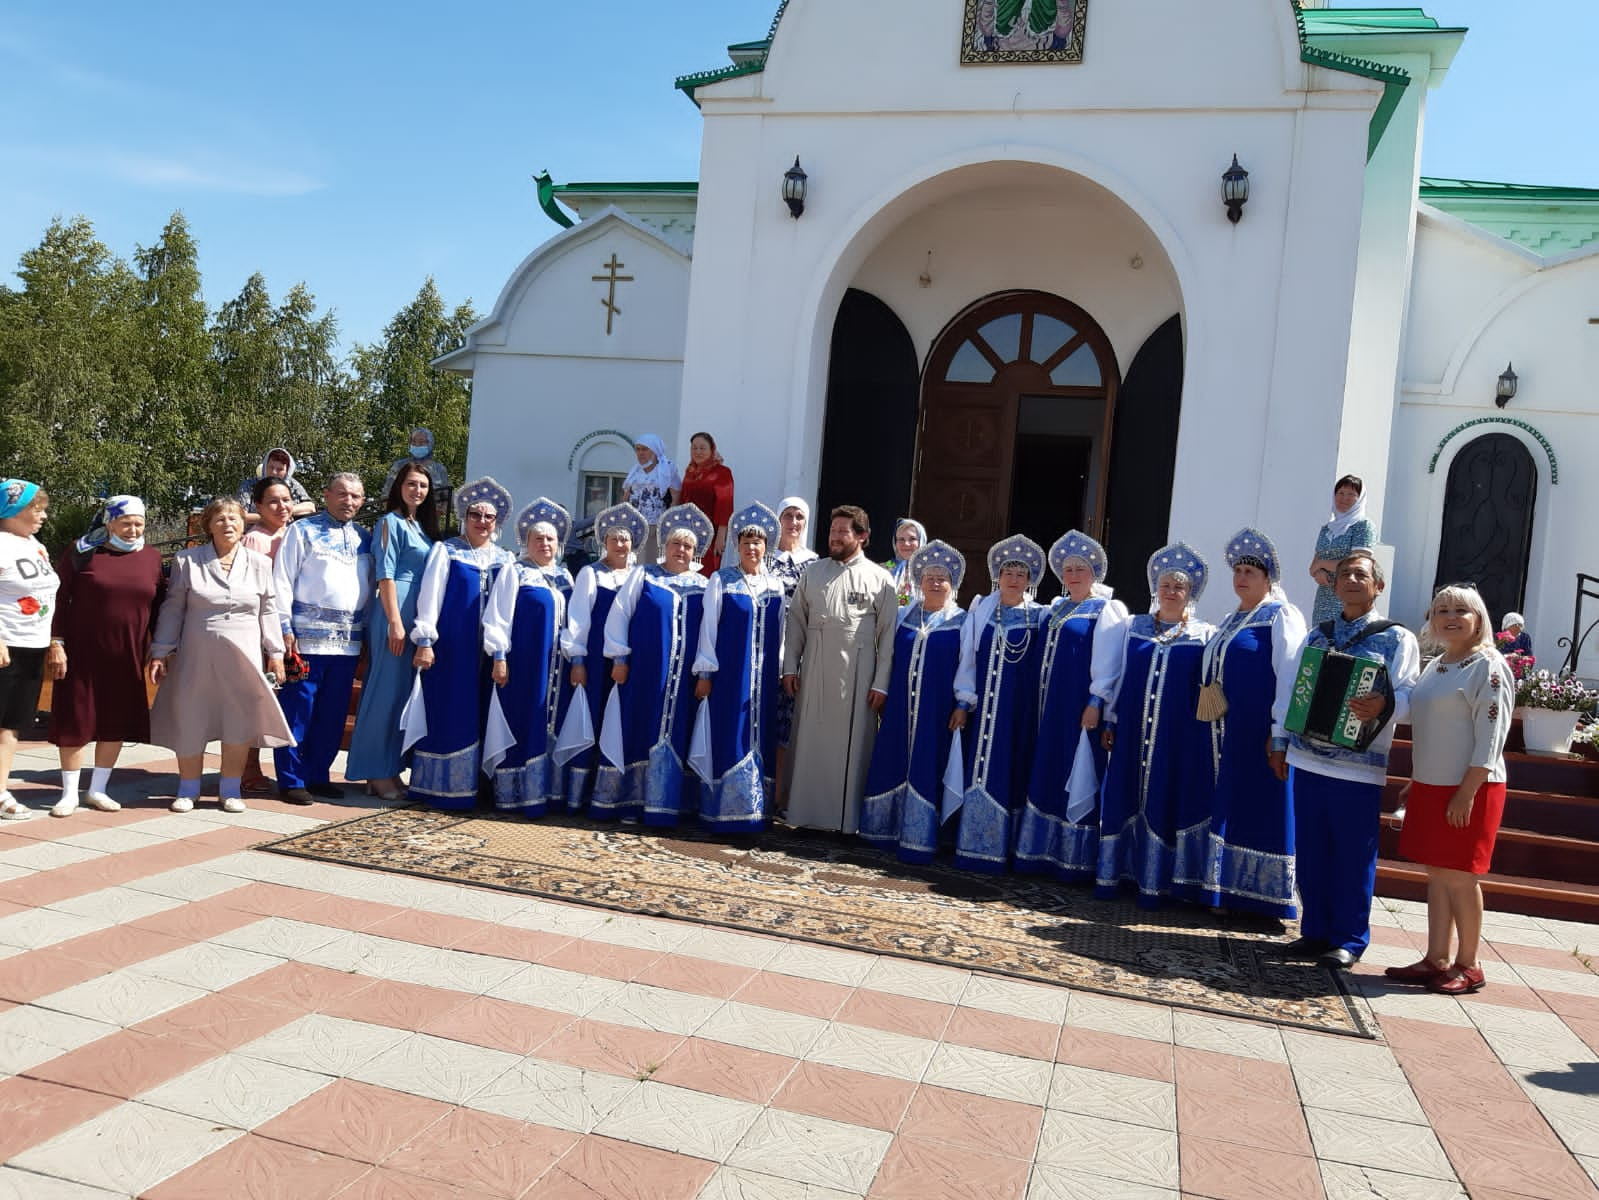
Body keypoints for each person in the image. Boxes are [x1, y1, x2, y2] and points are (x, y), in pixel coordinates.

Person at [1279, 550, 1420, 968]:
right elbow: (1293, 690)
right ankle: (1315, 930)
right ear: (1334, 585)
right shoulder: (1317, 634)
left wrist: (1383, 704)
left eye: (1361, 574)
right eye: (1345, 575)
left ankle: (1349, 938)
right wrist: (1281, 741)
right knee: (1312, 849)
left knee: (1353, 853)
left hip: (1359, 768)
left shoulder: (1397, 638)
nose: (1352, 580)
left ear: (1378, 586)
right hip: (1307, 758)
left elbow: (1412, 696)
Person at [1386, 584, 1514, 995]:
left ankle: (1469, 963)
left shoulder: (1488, 666)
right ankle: (1436, 957)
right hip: (1431, 783)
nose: (1451, 616)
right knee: (1437, 876)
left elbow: (1491, 736)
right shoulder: (1437, 664)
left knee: (1461, 877)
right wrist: (1416, 779)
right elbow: (1434, 729)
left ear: (1479, 618)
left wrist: (1466, 791)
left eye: (1461, 609)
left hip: (1472, 787)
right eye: (1442, 610)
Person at [147, 497, 292, 813]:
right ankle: (188, 789)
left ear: (243, 524)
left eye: (234, 519)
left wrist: (276, 653)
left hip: (244, 656)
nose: (228, 524)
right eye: (220, 519)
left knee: (237, 721)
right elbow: (173, 610)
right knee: (191, 718)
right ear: (209, 526)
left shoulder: (260, 563)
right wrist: (161, 651)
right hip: (196, 655)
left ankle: (229, 790)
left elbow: (268, 609)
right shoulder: (187, 561)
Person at [1095, 543, 1217, 906]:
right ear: (1155, 587)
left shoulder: (1203, 635)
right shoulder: (1133, 627)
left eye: (1179, 587)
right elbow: (1119, 676)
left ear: (1190, 593)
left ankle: (1158, 883)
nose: (1171, 592)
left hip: (1175, 736)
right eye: (1165, 585)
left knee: (1165, 798)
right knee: (1125, 796)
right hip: (1131, 730)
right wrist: (1111, 719)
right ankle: (1117, 875)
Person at [1196, 529, 1307, 918]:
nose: (1242, 577)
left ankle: (1265, 896)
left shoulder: (1281, 616)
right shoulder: (1230, 619)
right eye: (1238, 570)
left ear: (1268, 579)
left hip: (1260, 729)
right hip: (1227, 732)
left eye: (1251, 572)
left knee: (1261, 807)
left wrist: (1280, 733)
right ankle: (1224, 889)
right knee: (1231, 805)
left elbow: (1291, 676)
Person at [1013, 531, 1129, 883]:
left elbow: (1110, 661)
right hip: (1049, 708)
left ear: (1095, 572)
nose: (1073, 574)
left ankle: (1073, 861)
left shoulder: (1107, 609)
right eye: (1067, 569)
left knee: (1073, 771)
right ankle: (1040, 853)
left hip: (1078, 707)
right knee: (1047, 769)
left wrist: (1097, 701)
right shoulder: (1056, 607)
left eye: (1081, 568)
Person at [45, 496, 166, 817]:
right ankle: (69, 792)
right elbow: (57, 598)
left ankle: (97, 789)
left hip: (127, 655)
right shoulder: (82, 551)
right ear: (109, 522)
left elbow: (158, 609)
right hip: (81, 653)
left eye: (139, 523)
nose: (132, 529)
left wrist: (161, 649)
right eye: (125, 522)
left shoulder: (152, 558)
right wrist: (56, 641)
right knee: (76, 720)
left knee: (115, 721)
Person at [782, 504, 899, 834]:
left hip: (857, 676)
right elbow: (796, 623)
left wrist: (881, 683)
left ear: (861, 537)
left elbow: (888, 636)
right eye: (832, 531)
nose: (834, 537)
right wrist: (790, 666)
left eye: (842, 532)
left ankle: (845, 822)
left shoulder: (880, 579)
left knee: (851, 746)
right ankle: (804, 814)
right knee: (810, 741)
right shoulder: (813, 573)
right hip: (815, 666)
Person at [595, 503, 712, 823]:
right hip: (645, 673)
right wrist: (619, 656)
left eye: (688, 546)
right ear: (665, 545)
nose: (681, 550)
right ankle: (631, 803)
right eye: (676, 543)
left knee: (678, 734)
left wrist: (704, 671)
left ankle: (672, 806)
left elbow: (708, 633)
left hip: (683, 679)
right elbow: (619, 614)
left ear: (696, 551)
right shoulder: (644, 575)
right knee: (638, 729)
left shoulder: (703, 586)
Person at [404, 479, 515, 810]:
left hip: (484, 652)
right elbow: (431, 595)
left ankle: (474, 786)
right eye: (475, 514)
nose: (482, 521)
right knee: (449, 711)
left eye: (488, 517)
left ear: (497, 522)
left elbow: (504, 610)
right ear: (464, 517)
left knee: (482, 712)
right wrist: (425, 640)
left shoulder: (504, 559)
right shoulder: (447, 550)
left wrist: (499, 652)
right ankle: (435, 787)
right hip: (450, 648)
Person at [860, 540, 968, 862]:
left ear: (952, 584)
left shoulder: (963, 621)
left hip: (937, 711)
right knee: (892, 758)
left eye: (942, 578)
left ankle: (921, 836)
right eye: (929, 577)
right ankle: (883, 831)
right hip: (899, 710)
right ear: (919, 581)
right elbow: (887, 656)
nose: (935, 582)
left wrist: (962, 703)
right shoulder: (905, 614)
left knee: (929, 764)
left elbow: (967, 667)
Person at [950, 535, 1050, 872]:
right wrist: (964, 701)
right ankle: (971, 845)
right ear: (998, 575)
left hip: (1016, 711)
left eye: (1021, 574)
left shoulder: (1038, 616)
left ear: (1030, 580)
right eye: (1008, 572)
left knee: (1012, 768)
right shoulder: (982, 610)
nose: (1014, 579)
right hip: (982, 712)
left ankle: (1005, 847)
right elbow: (968, 659)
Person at [272, 473, 373, 805]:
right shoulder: (302, 531)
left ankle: (317, 774)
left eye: (356, 496)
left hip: (347, 643)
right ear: (327, 494)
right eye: (342, 493)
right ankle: (290, 778)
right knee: (298, 709)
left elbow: (370, 590)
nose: (349, 501)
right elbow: (282, 581)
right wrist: (285, 629)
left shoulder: (365, 539)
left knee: (332, 713)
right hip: (305, 641)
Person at [346, 462, 437, 801]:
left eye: (423, 486)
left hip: (415, 612)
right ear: (399, 486)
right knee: (383, 692)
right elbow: (385, 574)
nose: (417, 490)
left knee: (401, 694)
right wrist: (395, 621)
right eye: (412, 484)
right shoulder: (390, 523)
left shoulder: (420, 527)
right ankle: (374, 769)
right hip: (394, 610)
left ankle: (389, 767)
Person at [692, 502, 786, 831]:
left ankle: (756, 813)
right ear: (737, 546)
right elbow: (709, 628)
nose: (751, 548)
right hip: (731, 675)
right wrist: (705, 671)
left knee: (760, 737)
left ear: (766, 546)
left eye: (757, 543)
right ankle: (723, 814)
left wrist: (781, 671)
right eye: (745, 543)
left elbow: (782, 631)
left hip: (763, 683)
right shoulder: (722, 580)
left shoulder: (776, 586)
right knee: (730, 734)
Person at [483, 498, 576, 815]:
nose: (545, 544)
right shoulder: (516, 572)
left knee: (551, 723)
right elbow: (498, 616)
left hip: (558, 670)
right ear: (527, 542)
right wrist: (499, 655)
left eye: (550, 539)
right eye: (539, 539)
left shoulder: (565, 577)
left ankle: (547, 793)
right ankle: (515, 795)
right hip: (524, 665)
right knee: (521, 719)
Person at [559, 502, 645, 808]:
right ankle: (581, 796)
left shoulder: (639, 576)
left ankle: (612, 793)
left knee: (619, 721)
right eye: (614, 539)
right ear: (603, 542)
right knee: (592, 718)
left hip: (627, 662)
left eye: (625, 539)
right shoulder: (590, 574)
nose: (620, 544)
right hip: (596, 660)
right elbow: (578, 618)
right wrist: (578, 660)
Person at [0, 480, 59, 820]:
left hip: (33, 645)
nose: (43, 515)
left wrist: (54, 642)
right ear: (12, 510)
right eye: (36, 508)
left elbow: (46, 597)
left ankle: (1, 789)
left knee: (11, 726)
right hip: (6, 646)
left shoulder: (34, 543)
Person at [238, 478, 297, 794]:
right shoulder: (253, 541)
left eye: (286, 499)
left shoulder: (294, 535)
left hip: (289, 629)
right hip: (261, 632)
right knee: (255, 699)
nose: (282, 507)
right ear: (258, 506)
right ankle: (247, 766)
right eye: (273, 501)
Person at [767, 496, 819, 810]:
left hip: (796, 651)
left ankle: (782, 794)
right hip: (765, 646)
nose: (794, 523)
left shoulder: (813, 563)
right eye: (788, 515)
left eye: (800, 516)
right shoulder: (764, 556)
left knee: (788, 725)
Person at [1307, 475, 1376, 625]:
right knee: (1319, 642)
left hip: (1349, 598)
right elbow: (1313, 566)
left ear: (1360, 499)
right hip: (1324, 600)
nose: (1344, 498)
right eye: (1341, 493)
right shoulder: (1327, 529)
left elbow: (1356, 563)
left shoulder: (1363, 526)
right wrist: (1318, 571)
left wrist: (1322, 564)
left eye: (1351, 494)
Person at [677, 432, 735, 575]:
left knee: (706, 573)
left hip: (710, 534)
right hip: (688, 532)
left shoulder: (722, 472)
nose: (698, 452)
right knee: (684, 571)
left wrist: (721, 536)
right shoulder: (690, 472)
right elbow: (683, 501)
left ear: (712, 450)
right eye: (694, 448)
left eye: (702, 448)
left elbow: (725, 504)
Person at [620, 434, 682, 565]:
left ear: (655, 450)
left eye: (645, 449)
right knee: (632, 563)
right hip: (633, 525)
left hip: (655, 526)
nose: (640, 453)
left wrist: (668, 525)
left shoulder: (667, 469)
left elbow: (675, 499)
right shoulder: (635, 471)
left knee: (651, 563)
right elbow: (626, 497)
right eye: (638, 449)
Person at [236, 447, 315, 527]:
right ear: (265, 466)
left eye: (279, 469)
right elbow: (240, 516)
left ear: (287, 471)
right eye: (271, 467)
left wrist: (287, 511)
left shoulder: (292, 485)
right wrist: (271, 517)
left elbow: (310, 507)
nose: (274, 472)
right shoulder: (249, 485)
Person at [380, 427, 452, 501]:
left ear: (430, 444)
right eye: (413, 441)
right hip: (404, 510)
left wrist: (441, 508)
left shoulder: (439, 469)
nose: (417, 444)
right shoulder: (399, 465)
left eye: (421, 442)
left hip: (432, 511)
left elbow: (447, 496)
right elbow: (387, 493)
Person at [882, 518, 927, 607]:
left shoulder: (931, 571)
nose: (906, 543)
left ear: (921, 541)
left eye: (912, 539)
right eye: (901, 539)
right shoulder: (883, 569)